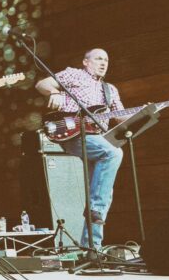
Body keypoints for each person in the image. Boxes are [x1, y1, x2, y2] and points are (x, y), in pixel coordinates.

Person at [34, 48, 124, 249]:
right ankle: (95, 209)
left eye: (107, 60)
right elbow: (42, 83)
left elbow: (120, 116)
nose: (103, 62)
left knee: (103, 190)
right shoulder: (74, 74)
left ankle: (92, 248)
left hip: (97, 138)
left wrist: (150, 110)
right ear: (86, 61)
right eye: (99, 58)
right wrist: (55, 92)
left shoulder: (110, 90)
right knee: (113, 152)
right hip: (73, 133)